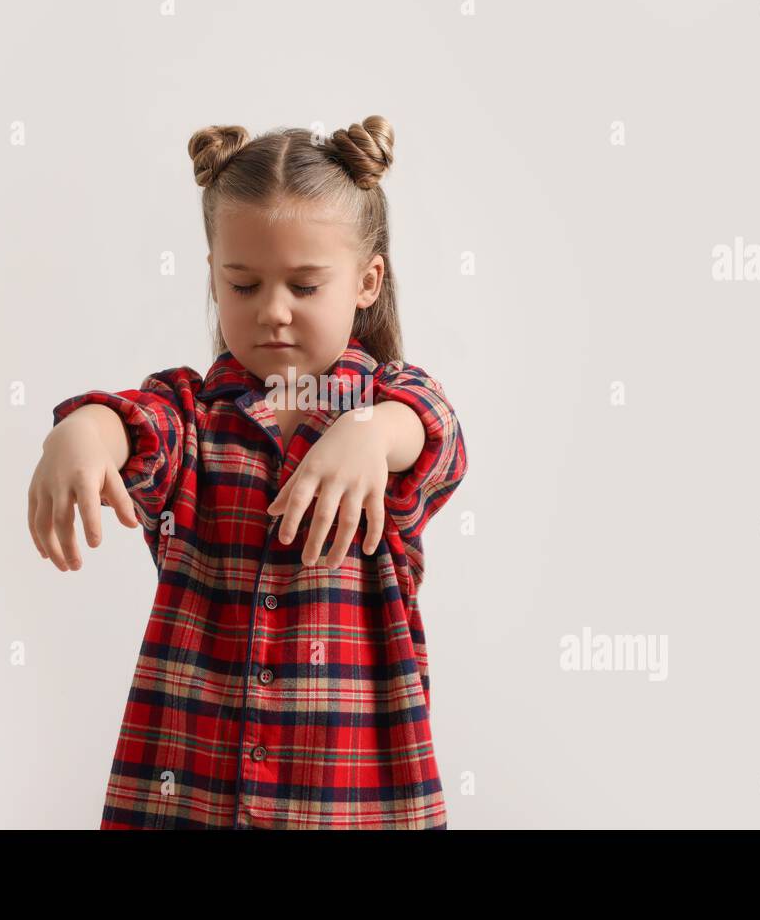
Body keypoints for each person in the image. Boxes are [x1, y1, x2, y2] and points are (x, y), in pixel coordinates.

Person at [27, 116, 468, 828]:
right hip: (189, 787)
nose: (273, 312)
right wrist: (84, 430)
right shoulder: (194, 417)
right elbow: (137, 423)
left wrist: (368, 431)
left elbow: (438, 431)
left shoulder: (391, 412)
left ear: (366, 280)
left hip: (350, 796)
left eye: (304, 285)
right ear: (213, 275)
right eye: (243, 285)